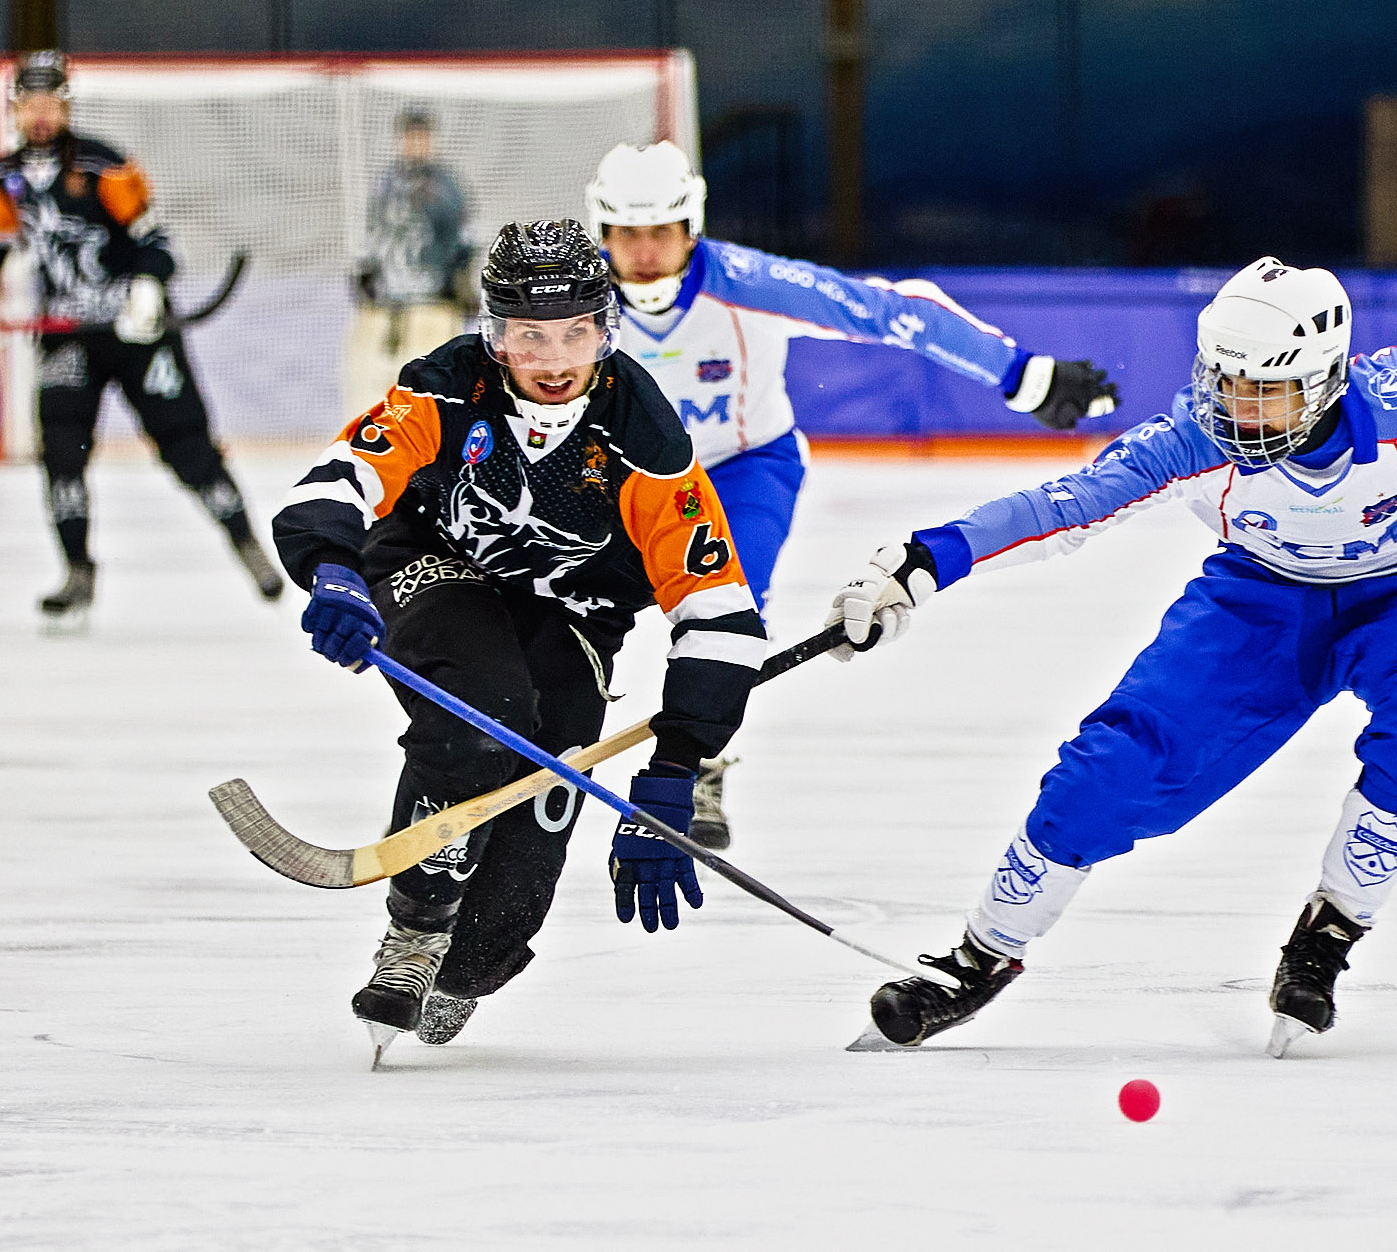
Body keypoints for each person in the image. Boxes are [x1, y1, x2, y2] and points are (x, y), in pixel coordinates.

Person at [826, 248, 1397, 1055]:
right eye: (1223, 382)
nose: (1235, 408)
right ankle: (979, 957)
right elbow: (1064, 505)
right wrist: (917, 563)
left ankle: (1328, 934)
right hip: (1255, 607)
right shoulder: (1194, 437)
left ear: (1326, 382)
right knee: (1106, 771)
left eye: (1263, 392)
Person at [271, 219, 766, 1060]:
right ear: (493, 333)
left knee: (551, 775)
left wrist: (677, 767)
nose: (552, 359)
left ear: (606, 328)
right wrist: (332, 567)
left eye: (575, 332)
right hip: (436, 563)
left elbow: (717, 607)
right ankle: (418, 927)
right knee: (479, 705)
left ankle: (469, 963)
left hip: (574, 610)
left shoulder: (644, 435)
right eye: (527, 336)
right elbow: (340, 475)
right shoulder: (445, 386)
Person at [585, 139, 1121, 848]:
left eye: (661, 231)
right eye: (627, 234)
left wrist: (1025, 375)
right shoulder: (571, 302)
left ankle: (694, 767)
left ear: (692, 226)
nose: (646, 252)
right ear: (602, 234)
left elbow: (896, 313)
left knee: (724, 611)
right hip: (622, 478)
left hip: (745, 467)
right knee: (560, 599)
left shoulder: (748, 280)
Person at [0, 50, 284, 622]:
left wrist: (147, 289)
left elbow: (156, 245)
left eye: (49, 102)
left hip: (136, 330)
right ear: (15, 108)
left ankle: (247, 544)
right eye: (28, 102)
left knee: (187, 445)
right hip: (68, 336)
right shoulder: (2, 178)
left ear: (65, 105)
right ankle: (77, 570)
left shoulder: (104, 164)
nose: (39, 114)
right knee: (60, 451)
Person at [344, 108, 473, 418]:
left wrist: (461, 281)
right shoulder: (387, 185)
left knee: (433, 383)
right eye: (411, 137)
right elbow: (373, 232)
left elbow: (464, 237)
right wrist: (365, 274)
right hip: (389, 304)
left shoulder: (447, 187)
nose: (416, 144)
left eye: (422, 137)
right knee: (373, 379)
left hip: (433, 303)